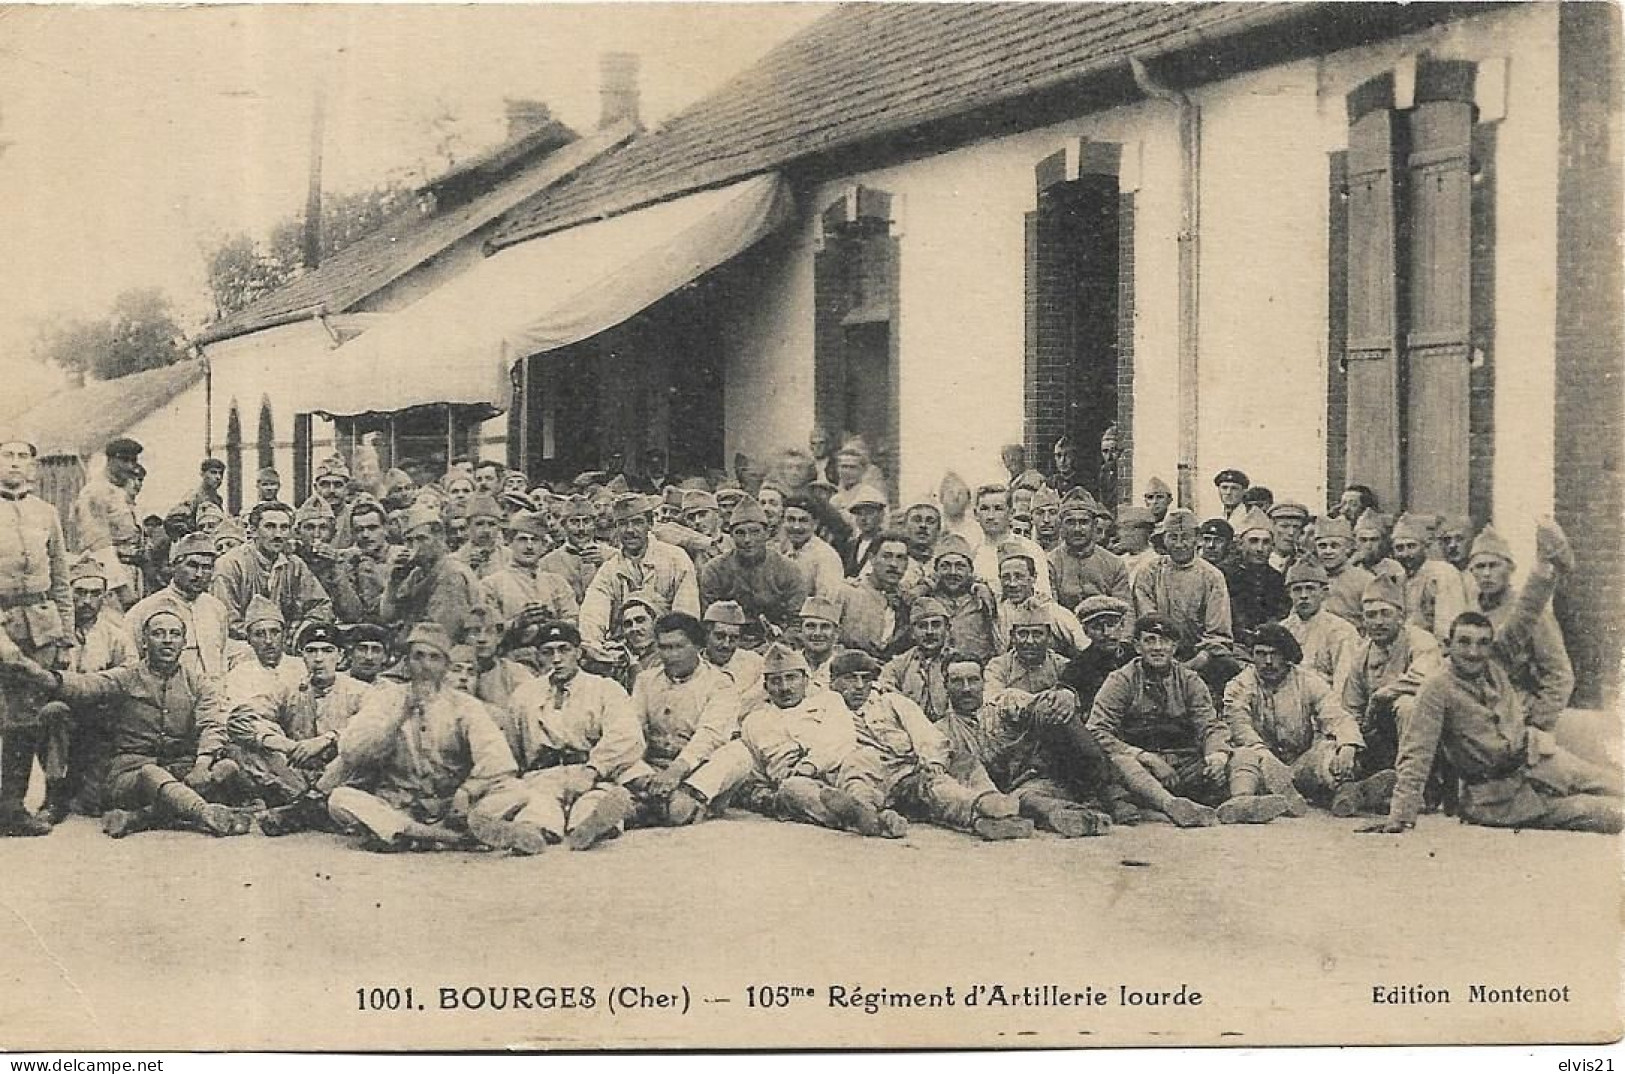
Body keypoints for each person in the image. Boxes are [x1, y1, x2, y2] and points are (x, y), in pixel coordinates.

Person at [1359, 613, 1621, 835]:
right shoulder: (1436, 689)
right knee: (1606, 814)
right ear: (1448, 645)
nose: (1474, 652)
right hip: (1497, 797)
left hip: (1540, 762)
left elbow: (1526, 613)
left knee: (1612, 782)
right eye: (1464, 642)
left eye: (1483, 643)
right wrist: (1400, 815)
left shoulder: (1495, 663)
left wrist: (1546, 568)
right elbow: (1416, 752)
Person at [19, 609, 250, 838]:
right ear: (145, 641)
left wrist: (201, 765)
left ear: (184, 642)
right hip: (129, 776)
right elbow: (89, 685)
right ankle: (204, 814)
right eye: (159, 633)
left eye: (174, 634)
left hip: (181, 768)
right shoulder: (127, 677)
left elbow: (211, 725)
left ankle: (138, 818)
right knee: (151, 773)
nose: (167, 640)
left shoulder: (198, 684)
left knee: (227, 766)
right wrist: (50, 679)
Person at [324, 621, 533, 853]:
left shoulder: (464, 706)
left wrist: (468, 791)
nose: (425, 665)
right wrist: (397, 719)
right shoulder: (385, 699)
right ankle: (451, 838)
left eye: (434, 658)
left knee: (517, 790)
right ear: (407, 662)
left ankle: (410, 836)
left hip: (452, 806)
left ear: (446, 665)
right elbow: (351, 751)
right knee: (340, 799)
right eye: (418, 657)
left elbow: (498, 761)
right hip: (399, 806)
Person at [1088, 614, 1288, 826]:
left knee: (1245, 754)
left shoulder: (1190, 680)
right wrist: (1144, 756)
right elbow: (1096, 730)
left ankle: (1241, 802)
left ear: (1174, 647)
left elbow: (1210, 725)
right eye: (1150, 640)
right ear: (1137, 646)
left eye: (1164, 641)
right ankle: (1171, 805)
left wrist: (1216, 756)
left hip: (1186, 763)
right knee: (1121, 762)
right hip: (1144, 770)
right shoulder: (1121, 680)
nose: (1158, 648)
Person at [823, 650, 1033, 840]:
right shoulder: (824, 712)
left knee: (949, 774)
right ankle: (867, 814)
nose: (859, 686)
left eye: (865, 679)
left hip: (911, 769)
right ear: (833, 682)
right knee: (859, 765)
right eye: (850, 679)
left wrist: (932, 759)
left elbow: (922, 730)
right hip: (876, 778)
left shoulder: (890, 702)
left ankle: (987, 814)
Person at [499, 621, 643, 849]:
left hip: (589, 773)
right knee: (537, 807)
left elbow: (626, 735)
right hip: (543, 775)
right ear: (538, 657)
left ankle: (590, 827)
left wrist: (593, 769)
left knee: (593, 802)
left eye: (564, 649)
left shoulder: (604, 688)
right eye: (548, 652)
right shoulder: (524, 695)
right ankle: (528, 835)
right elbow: (511, 744)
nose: (556, 659)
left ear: (578, 652)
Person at [936, 653, 1113, 837]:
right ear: (945, 686)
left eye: (973, 680)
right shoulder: (940, 731)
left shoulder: (1004, 702)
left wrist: (1063, 696)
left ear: (983, 683)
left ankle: (1102, 791)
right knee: (1025, 800)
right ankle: (1078, 817)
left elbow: (1041, 703)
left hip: (1041, 779)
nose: (966, 689)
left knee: (1055, 710)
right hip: (1001, 796)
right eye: (957, 681)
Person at [227, 621, 368, 835]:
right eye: (311, 651)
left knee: (363, 752)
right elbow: (239, 719)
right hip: (299, 775)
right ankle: (314, 807)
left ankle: (302, 811)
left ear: (341, 656)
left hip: (342, 774)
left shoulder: (360, 691)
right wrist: (287, 746)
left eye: (327, 651)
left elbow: (373, 728)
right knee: (243, 748)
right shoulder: (288, 689)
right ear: (302, 656)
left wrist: (329, 738)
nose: (319, 659)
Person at [0, 438, 75, 835]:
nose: (15, 464)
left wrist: (65, 638)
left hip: (41, 627)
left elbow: (61, 580)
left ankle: (12, 808)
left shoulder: (45, 513)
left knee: (28, 720)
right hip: (3, 626)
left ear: (33, 467)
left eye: (23, 457)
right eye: (7, 455)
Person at [1330, 574, 1443, 815]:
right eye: (1371, 615)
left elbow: (1422, 681)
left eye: (1385, 613)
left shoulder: (1421, 640)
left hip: (1429, 736)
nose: (1378, 622)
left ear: (1401, 616)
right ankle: (1362, 788)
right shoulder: (1362, 653)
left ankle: (1417, 790)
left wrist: (1382, 695)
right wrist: (1348, 743)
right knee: (1336, 748)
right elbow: (1351, 708)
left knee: (1407, 705)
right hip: (1383, 736)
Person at [1223, 622, 1361, 813]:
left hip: (1300, 763)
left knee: (1330, 750)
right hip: (1262, 761)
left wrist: (1347, 745)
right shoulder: (1239, 685)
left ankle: (1348, 793)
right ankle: (1244, 803)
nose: (1268, 662)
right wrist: (1266, 758)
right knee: (1243, 758)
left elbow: (1336, 716)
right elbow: (1240, 727)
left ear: (1287, 656)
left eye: (1275, 654)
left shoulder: (1308, 681)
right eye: (1261, 654)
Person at [35, 555, 133, 820]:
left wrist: (88, 686)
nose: (87, 601)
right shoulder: (52, 631)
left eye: (95, 594)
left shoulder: (116, 634)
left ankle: (84, 783)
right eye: (80, 593)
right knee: (53, 712)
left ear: (104, 596)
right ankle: (53, 792)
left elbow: (128, 674)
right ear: (68, 593)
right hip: (63, 713)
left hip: (102, 717)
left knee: (93, 805)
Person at [623, 613, 744, 826]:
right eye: (664, 648)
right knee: (619, 748)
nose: (670, 656)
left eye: (678, 647)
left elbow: (710, 736)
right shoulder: (646, 680)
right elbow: (633, 728)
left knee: (739, 754)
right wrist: (643, 770)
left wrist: (676, 771)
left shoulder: (720, 684)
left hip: (695, 771)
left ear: (698, 646)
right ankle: (664, 803)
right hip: (652, 769)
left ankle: (672, 802)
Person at [1464, 521, 1574, 728]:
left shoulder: (1536, 615)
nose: (1486, 574)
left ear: (1511, 569)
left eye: (1494, 565)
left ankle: (1545, 569)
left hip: (1515, 712)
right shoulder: (1470, 611)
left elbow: (1559, 675)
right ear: (1472, 572)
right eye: (1480, 567)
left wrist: (1538, 722)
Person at [580, 494, 700, 666]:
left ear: (650, 524)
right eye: (623, 524)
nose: (630, 531)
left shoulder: (675, 558)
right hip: (627, 648)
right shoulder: (610, 569)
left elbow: (686, 613)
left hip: (669, 647)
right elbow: (593, 611)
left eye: (637, 522)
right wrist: (594, 645)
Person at [1131, 508, 1236, 691]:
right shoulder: (1149, 572)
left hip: (1198, 657)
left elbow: (1218, 633)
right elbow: (1148, 622)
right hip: (1156, 651)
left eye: (1185, 537)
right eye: (1173, 537)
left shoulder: (1212, 577)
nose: (1179, 544)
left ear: (1197, 538)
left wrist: (1193, 664)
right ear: (1164, 539)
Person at [213, 501, 334, 645]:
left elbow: (321, 605)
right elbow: (227, 620)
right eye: (270, 527)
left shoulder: (294, 564)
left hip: (285, 645)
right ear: (253, 531)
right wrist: (268, 639)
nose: (278, 534)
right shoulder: (230, 564)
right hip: (242, 645)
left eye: (284, 528)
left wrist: (303, 628)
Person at [125, 533, 232, 680]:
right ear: (174, 566)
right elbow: (130, 664)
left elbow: (222, 659)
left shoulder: (217, 609)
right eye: (192, 565)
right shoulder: (144, 610)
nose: (199, 574)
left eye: (206, 567)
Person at [700, 497, 808, 635]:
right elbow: (709, 620)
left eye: (755, 532)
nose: (747, 540)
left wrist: (781, 642)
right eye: (740, 533)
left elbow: (797, 620)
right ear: (731, 535)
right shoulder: (715, 570)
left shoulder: (788, 569)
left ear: (767, 533)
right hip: (730, 642)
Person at [380, 504, 484, 643]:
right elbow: (388, 615)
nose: (416, 547)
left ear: (439, 537)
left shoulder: (451, 574)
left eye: (422, 538)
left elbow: (443, 633)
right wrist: (394, 581)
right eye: (409, 541)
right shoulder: (417, 573)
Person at [69, 437, 145, 609]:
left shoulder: (122, 491)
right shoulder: (95, 492)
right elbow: (98, 544)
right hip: (110, 578)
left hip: (132, 571)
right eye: (124, 460)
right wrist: (121, 587)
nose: (130, 466)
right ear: (110, 460)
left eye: (133, 461)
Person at [481, 510, 577, 627]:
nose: (529, 546)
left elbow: (573, 619)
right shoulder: (492, 584)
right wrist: (517, 623)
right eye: (522, 539)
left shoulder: (557, 583)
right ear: (510, 543)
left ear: (543, 546)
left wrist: (552, 623)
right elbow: (488, 628)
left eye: (535, 540)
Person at [829, 533, 914, 658]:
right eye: (886, 556)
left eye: (901, 558)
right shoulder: (847, 592)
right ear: (872, 559)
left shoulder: (907, 599)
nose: (894, 564)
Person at [1047, 489, 1130, 613]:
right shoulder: (1051, 563)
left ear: (1095, 524)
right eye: (1070, 522)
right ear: (1061, 525)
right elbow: (1051, 610)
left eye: (1084, 522)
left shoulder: (1115, 564)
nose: (1077, 529)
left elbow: (1126, 611)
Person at [1389, 515, 1469, 643]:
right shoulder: (1400, 579)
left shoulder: (1442, 573)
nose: (1406, 554)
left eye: (1411, 546)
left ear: (1424, 547)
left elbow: (1447, 625)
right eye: (1399, 548)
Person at [1282, 559, 1359, 690]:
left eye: (1310, 589)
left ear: (1324, 592)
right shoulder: (1283, 630)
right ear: (1289, 593)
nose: (1304, 596)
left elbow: (1344, 681)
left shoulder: (1340, 630)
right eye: (1297, 590)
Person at [877, 596, 957, 720]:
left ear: (947, 629)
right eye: (922, 626)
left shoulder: (959, 661)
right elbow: (886, 691)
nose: (929, 632)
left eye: (936, 625)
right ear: (912, 633)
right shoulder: (898, 665)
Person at [970, 484, 1053, 600]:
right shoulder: (972, 554)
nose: (990, 516)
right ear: (976, 514)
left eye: (998, 508)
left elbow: (1043, 595)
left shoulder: (1031, 550)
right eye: (984, 509)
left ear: (1011, 514)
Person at [996, 552, 1086, 658]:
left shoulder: (1055, 613)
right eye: (1006, 577)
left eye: (1019, 576)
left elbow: (1084, 647)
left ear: (1033, 577)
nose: (1012, 584)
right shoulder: (996, 612)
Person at [927, 534, 1001, 662]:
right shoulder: (927, 599)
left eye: (960, 566)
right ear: (936, 570)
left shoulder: (984, 598)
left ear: (970, 570)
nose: (953, 572)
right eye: (945, 566)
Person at [222, 595, 305, 706]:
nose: (268, 640)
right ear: (249, 639)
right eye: (259, 634)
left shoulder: (302, 668)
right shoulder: (238, 677)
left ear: (284, 635)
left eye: (275, 632)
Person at [1058, 595, 1135, 712]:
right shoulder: (1078, 667)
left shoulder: (1135, 655)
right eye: (1097, 627)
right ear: (1086, 631)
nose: (1107, 633)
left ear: (1122, 625)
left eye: (1111, 624)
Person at [1223, 509, 1289, 639]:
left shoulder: (1276, 578)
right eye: (1253, 541)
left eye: (1266, 542)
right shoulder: (1224, 575)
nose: (1260, 549)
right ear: (1240, 545)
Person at [538, 495, 612, 605]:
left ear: (594, 524)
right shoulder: (547, 563)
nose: (581, 528)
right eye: (574, 522)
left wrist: (606, 565)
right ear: (564, 525)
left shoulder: (612, 556)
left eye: (586, 521)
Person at [778, 493, 845, 599]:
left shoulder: (825, 556)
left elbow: (826, 602)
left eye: (803, 521)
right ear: (783, 522)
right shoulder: (781, 551)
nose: (796, 527)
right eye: (791, 520)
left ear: (815, 524)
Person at [838, 485, 889, 578]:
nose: (863, 518)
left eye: (869, 513)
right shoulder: (850, 545)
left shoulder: (887, 543)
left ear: (881, 515)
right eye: (859, 514)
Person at [1113, 506, 1159, 578]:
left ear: (1145, 531)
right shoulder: (1118, 562)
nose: (1123, 534)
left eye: (1128, 528)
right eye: (1121, 528)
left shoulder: (1155, 563)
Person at [1267, 502, 1311, 572]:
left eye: (1296, 527)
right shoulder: (1260, 559)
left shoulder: (1306, 563)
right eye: (1284, 526)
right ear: (1272, 527)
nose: (1291, 533)